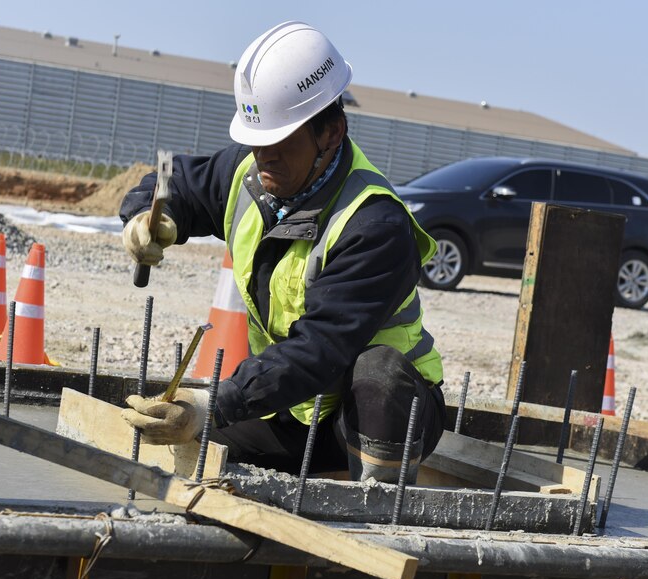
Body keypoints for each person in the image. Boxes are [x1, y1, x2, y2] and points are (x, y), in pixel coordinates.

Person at [120, 21, 445, 483]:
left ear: (331, 133)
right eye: (255, 139)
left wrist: (209, 404)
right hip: (295, 409)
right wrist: (145, 216)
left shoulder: (374, 224)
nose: (262, 154)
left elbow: (318, 349)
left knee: (381, 376)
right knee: (183, 449)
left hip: (384, 416)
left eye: (278, 141)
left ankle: (378, 514)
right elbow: (178, 184)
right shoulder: (249, 172)